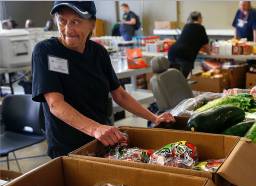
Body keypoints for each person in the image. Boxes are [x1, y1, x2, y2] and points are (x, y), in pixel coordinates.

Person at [32, 1, 174, 159]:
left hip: (103, 141)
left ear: (91, 24)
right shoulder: (45, 51)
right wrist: (95, 129)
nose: (67, 29)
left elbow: (119, 94)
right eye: (62, 21)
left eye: (75, 21)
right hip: (68, 147)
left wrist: (154, 118)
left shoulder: (99, 53)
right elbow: (55, 104)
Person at [168, 11, 209, 78]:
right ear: (199, 18)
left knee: (172, 79)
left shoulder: (186, 26)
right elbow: (205, 44)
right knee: (181, 81)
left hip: (172, 53)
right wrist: (210, 53)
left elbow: (189, 41)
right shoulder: (200, 27)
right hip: (184, 56)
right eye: (202, 18)